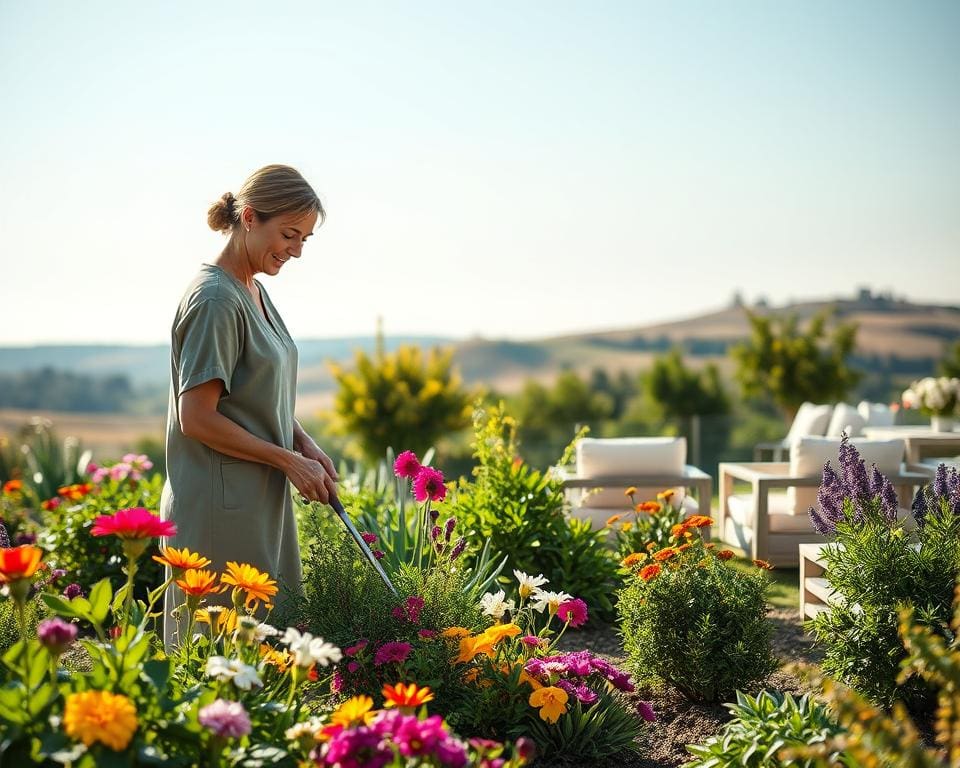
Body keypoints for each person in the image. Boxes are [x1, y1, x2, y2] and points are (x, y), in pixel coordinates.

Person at [160, 164, 338, 649]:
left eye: (304, 239)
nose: (296, 251)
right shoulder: (215, 300)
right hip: (219, 508)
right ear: (250, 218)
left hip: (256, 500)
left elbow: (254, 391)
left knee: (266, 658)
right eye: (288, 235)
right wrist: (288, 461)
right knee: (221, 660)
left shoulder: (252, 289)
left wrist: (302, 442)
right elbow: (197, 417)